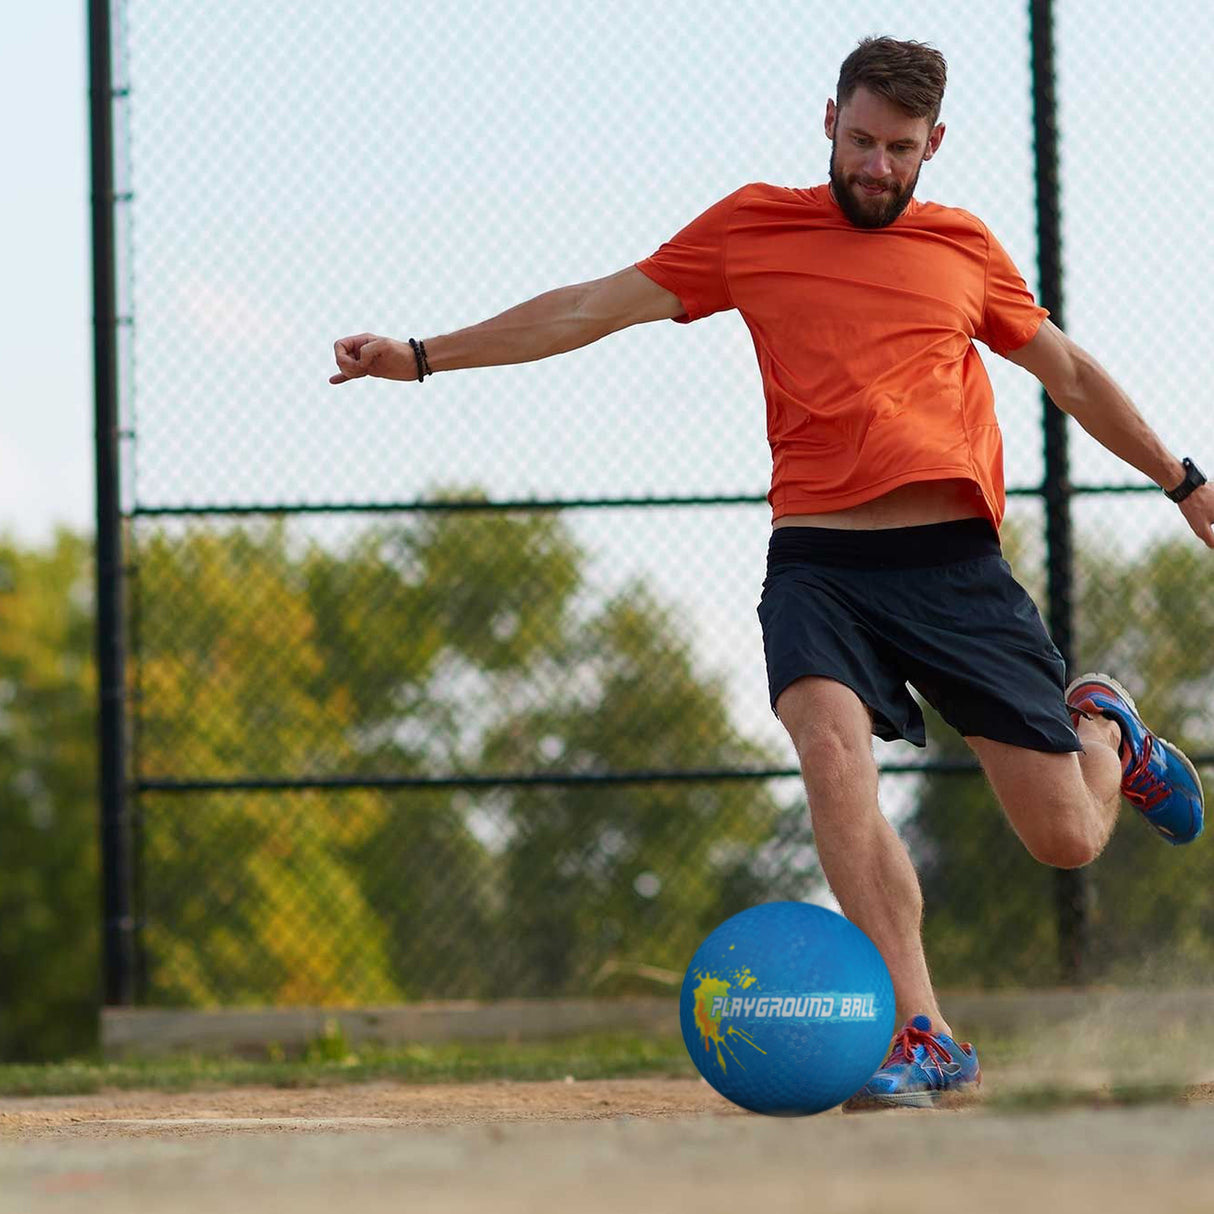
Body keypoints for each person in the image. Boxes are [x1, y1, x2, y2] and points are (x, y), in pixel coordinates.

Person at [330, 36, 1213, 1109]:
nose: (874, 166)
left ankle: (1104, 730)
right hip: (817, 560)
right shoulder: (751, 226)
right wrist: (422, 355)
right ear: (826, 121)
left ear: (933, 145)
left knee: (1066, 837)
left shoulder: (961, 250)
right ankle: (923, 1028)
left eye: (897, 149)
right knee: (828, 750)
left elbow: (1067, 373)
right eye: (858, 141)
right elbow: (589, 307)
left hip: (950, 565)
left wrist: (1181, 481)